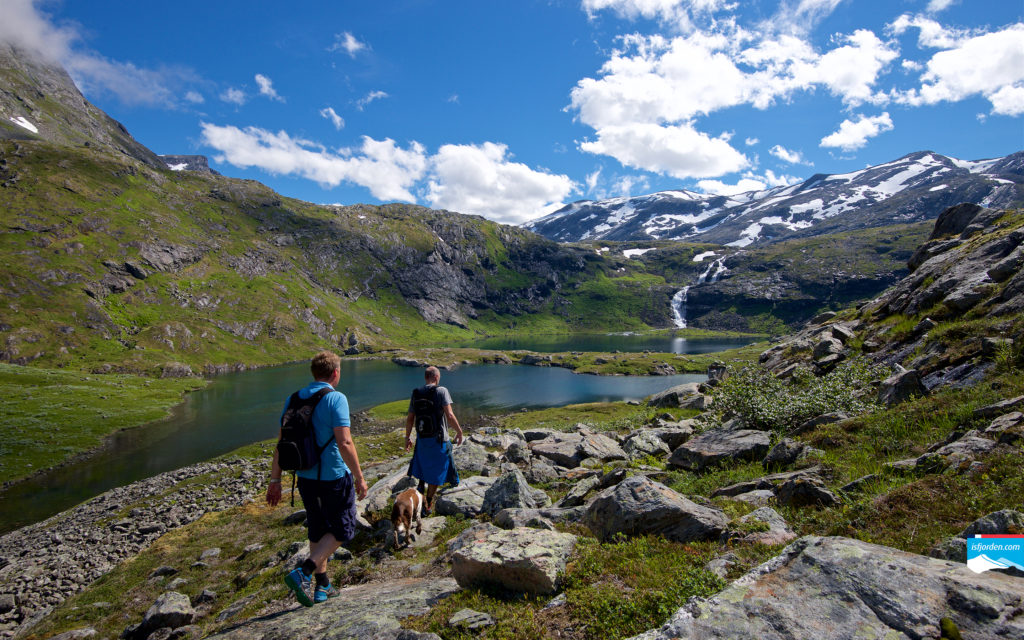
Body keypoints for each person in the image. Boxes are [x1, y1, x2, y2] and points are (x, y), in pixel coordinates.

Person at [267, 350, 368, 607]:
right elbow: (344, 442)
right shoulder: (336, 398)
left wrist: (275, 481)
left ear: (314, 372)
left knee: (317, 529)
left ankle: (323, 586)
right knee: (343, 528)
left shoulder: (293, 399)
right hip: (333, 476)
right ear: (335, 373)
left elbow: (281, 443)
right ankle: (305, 570)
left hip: (305, 477)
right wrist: (359, 476)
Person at [405, 366, 464, 513]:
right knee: (436, 473)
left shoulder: (416, 392)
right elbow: (449, 415)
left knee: (429, 463)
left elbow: (410, 418)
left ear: (426, 377)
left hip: (422, 439)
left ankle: (453, 479)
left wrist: (407, 437)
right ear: (436, 377)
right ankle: (428, 504)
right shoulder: (441, 391)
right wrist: (459, 431)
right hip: (439, 439)